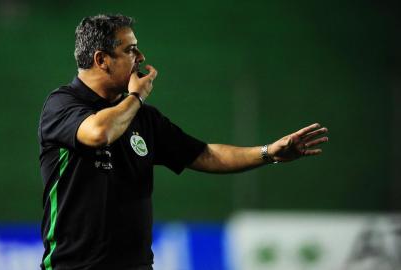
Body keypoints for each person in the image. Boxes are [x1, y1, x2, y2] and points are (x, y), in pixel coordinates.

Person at [38, 14, 328, 270]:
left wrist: (268, 153)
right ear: (102, 60)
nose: (140, 57)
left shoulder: (143, 118)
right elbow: (99, 132)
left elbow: (204, 154)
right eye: (130, 50)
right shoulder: (62, 104)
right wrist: (136, 97)